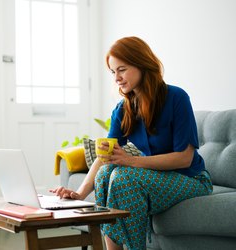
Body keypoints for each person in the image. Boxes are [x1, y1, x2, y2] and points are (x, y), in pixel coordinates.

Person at [50, 36, 213, 250]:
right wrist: (80, 194)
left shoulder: (176, 98)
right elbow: (104, 157)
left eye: (122, 69)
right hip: (155, 176)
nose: (116, 78)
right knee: (106, 173)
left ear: (141, 64)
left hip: (191, 179)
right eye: (113, 72)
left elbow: (185, 158)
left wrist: (130, 161)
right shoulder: (123, 109)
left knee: (123, 176)